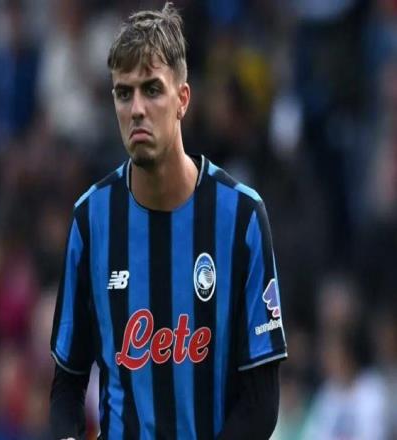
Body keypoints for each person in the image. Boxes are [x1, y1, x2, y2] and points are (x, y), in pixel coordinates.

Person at [49, 3, 287, 439]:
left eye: (152, 89)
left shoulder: (242, 217)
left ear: (183, 99)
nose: (137, 108)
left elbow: (260, 403)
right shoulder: (91, 219)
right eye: (124, 93)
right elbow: (67, 381)